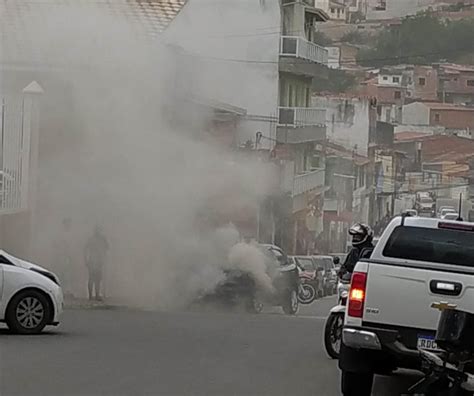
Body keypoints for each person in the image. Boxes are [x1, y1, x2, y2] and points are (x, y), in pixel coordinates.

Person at [84, 226, 109, 301]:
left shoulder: (102, 239)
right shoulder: (91, 239)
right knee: (92, 278)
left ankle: (97, 294)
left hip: (99, 261)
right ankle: (91, 295)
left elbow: (107, 247)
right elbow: (86, 249)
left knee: (98, 279)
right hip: (93, 260)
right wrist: (86, 260)